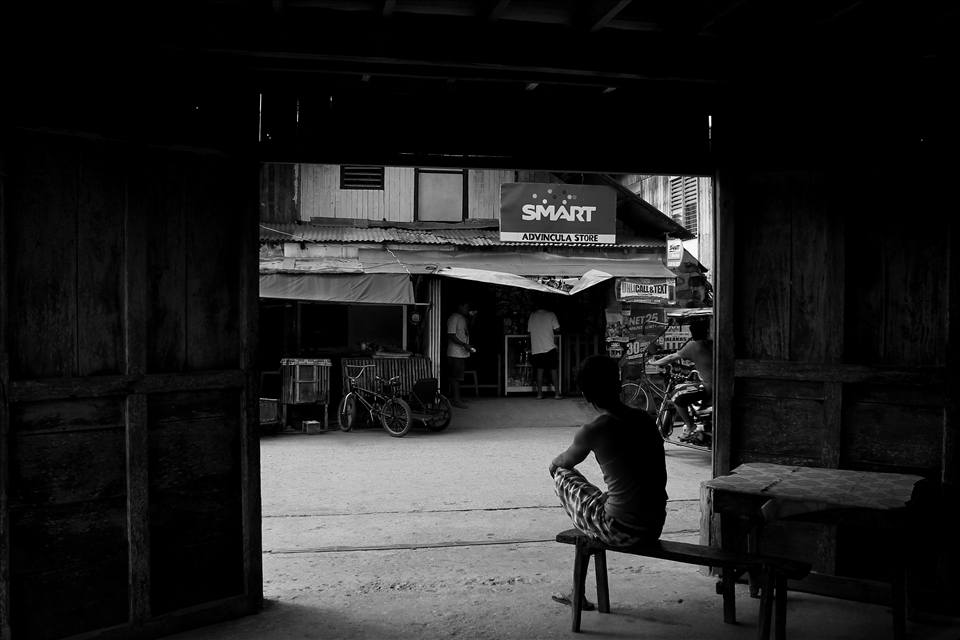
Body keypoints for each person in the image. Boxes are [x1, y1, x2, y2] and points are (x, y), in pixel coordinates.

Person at [548, 354, 668, 610]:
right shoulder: (645, 419)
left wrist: (553, 466)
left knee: (561, 475)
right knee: (610, 492)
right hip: (655, 523)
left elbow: (562, 463)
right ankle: (594, 528)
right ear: (619, 385)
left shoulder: (593, 430)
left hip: (623, 530)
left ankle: (589, 538)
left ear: (585, 394)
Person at [649, 317, 713, 444]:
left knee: (677, 393)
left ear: (693, 333)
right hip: (717, 384)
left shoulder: (694, 346)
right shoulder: (711, 343)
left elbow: (672, 357)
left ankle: (690, 426)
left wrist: (654, 362)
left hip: (710, 386)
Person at [527, 299, 562, 399]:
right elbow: (557, 329)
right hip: (549, 346)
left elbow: (529, 332)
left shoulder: (532, 315)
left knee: (539, 370)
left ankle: (539, 394)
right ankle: (557, 394)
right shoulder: (551, 314)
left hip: (537, 347)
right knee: (553, 369)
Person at [446, 300, 474, 409]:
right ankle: (455, 399)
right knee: (455, 377)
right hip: (455, 353)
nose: (468, 308)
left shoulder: (462, 318)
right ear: (460, 306)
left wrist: (473, 318)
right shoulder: (453, 318)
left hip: (461, 353)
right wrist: (464, 344)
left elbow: (468, 331)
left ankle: (458, 397)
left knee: (458, 377)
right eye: (466, 306)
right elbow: (451, 335)